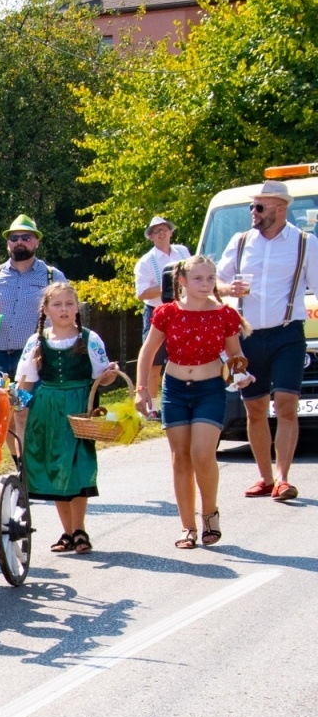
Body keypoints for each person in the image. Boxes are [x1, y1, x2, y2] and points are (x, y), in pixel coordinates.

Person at [135, 256, 248, 549]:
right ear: (182, 281)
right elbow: (148, 353)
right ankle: (188, 527)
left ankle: (210, 514)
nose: (206, 284)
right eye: (198, 279)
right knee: (180, 457)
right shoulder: (166, 313)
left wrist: (241, 373)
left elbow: (235, 356)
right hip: (174, 389)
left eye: (210, 278)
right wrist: (142, 389)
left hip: (210, 388)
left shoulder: (225, 314)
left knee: (202, 453)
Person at [215, 180, 318, 502]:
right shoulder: (241, 241)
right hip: (247, 335)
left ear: (280, 208)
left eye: (259, 207)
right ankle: (264, 476)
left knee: (287, 405)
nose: (253, 212)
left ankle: (283, 478)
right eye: (251, 206)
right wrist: (230, 290)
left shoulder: (305, 243)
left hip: (287, 332)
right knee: (256, 409)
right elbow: (216, 281)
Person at [15, 281, 117, 554]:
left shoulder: (89, 338)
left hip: (79, 408)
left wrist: (109, 375)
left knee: (78, 466)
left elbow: (102, 378)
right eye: (57, 304)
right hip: (47, 409)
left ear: (77, 308)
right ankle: (68, 532)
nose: (64, 309)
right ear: (46, 310)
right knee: (58, 468)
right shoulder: (36, 342)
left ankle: (80, 528)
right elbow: (25, 381)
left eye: (69, 304)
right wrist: (19, 407)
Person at [0, 214, 67, 378]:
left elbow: (68, 313)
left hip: (37, 355)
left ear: (37, 242)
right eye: (14, 238)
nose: (19, 242)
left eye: (26, 237)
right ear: (8, 244)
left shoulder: (53, 277)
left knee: (32, 403)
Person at [132, 215, 190, 406]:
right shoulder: (145, 262)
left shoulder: (182, 252)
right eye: (156, 231)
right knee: (154, 362)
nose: (161, 234)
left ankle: (178, 401)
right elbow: (141, 294)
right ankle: (153, 407)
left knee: (182, 359)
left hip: (183, 312)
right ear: (151, 237)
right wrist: (168, 283)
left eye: (164, 229)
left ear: (171, 232)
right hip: (157, 312)